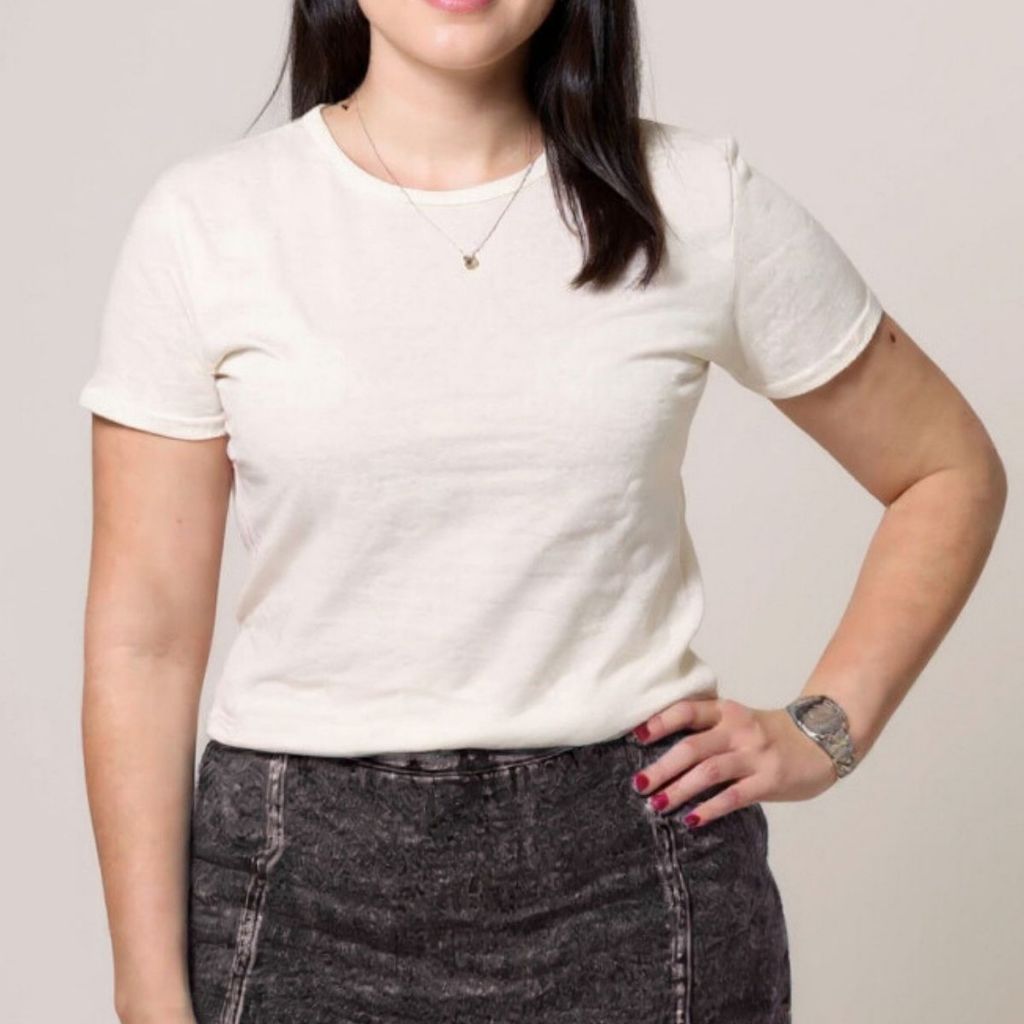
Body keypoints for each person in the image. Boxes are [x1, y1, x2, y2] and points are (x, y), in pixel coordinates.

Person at [78, 2, 1007, 1023]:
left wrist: (824, 730)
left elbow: (946, 469)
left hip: (637, 885)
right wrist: (146, 988)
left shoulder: (695, 200)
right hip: (299, 897)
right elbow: (144, 642)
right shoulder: (209, 224)